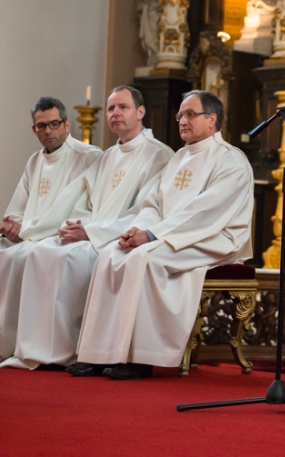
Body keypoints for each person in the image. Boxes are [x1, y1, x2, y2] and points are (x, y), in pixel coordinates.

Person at [70, 90, 254, 379]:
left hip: (213, 238)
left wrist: (152, 235)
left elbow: (204, 213)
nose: (182, 121)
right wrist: (138, 230)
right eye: (180, 115)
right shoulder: (179, 157)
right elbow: (153, 203)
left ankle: (141, 358)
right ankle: (100, 353)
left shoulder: (231, 160)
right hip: (170, 233)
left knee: (144, 259)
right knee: (110, 254)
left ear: (212, 119)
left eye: (190, 114)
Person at [0, 87, 173, 370]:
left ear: (141, 112)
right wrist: (77, 226)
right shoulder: (107, 156)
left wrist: (92, 232)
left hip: (119, 237)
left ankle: (72, 349)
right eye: (111, 108)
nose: (115, 113)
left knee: (70, 258)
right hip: (94, 233)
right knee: (42, 250)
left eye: (123, 107)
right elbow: (84, 201)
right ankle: (39, 349)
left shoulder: (159, 155)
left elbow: (147, 212)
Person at [0, 98, 102, 363]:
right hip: (30, 234)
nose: (48, 131)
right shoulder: (34, 161)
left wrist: (27, 229)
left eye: (54, 124)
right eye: (41, 126)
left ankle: (31, 346)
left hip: (59, 235)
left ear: (67, 124)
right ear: (34, 129)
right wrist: (11, 226)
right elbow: (18, 206)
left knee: (28, 256)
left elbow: (80, 208)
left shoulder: (88, 156)